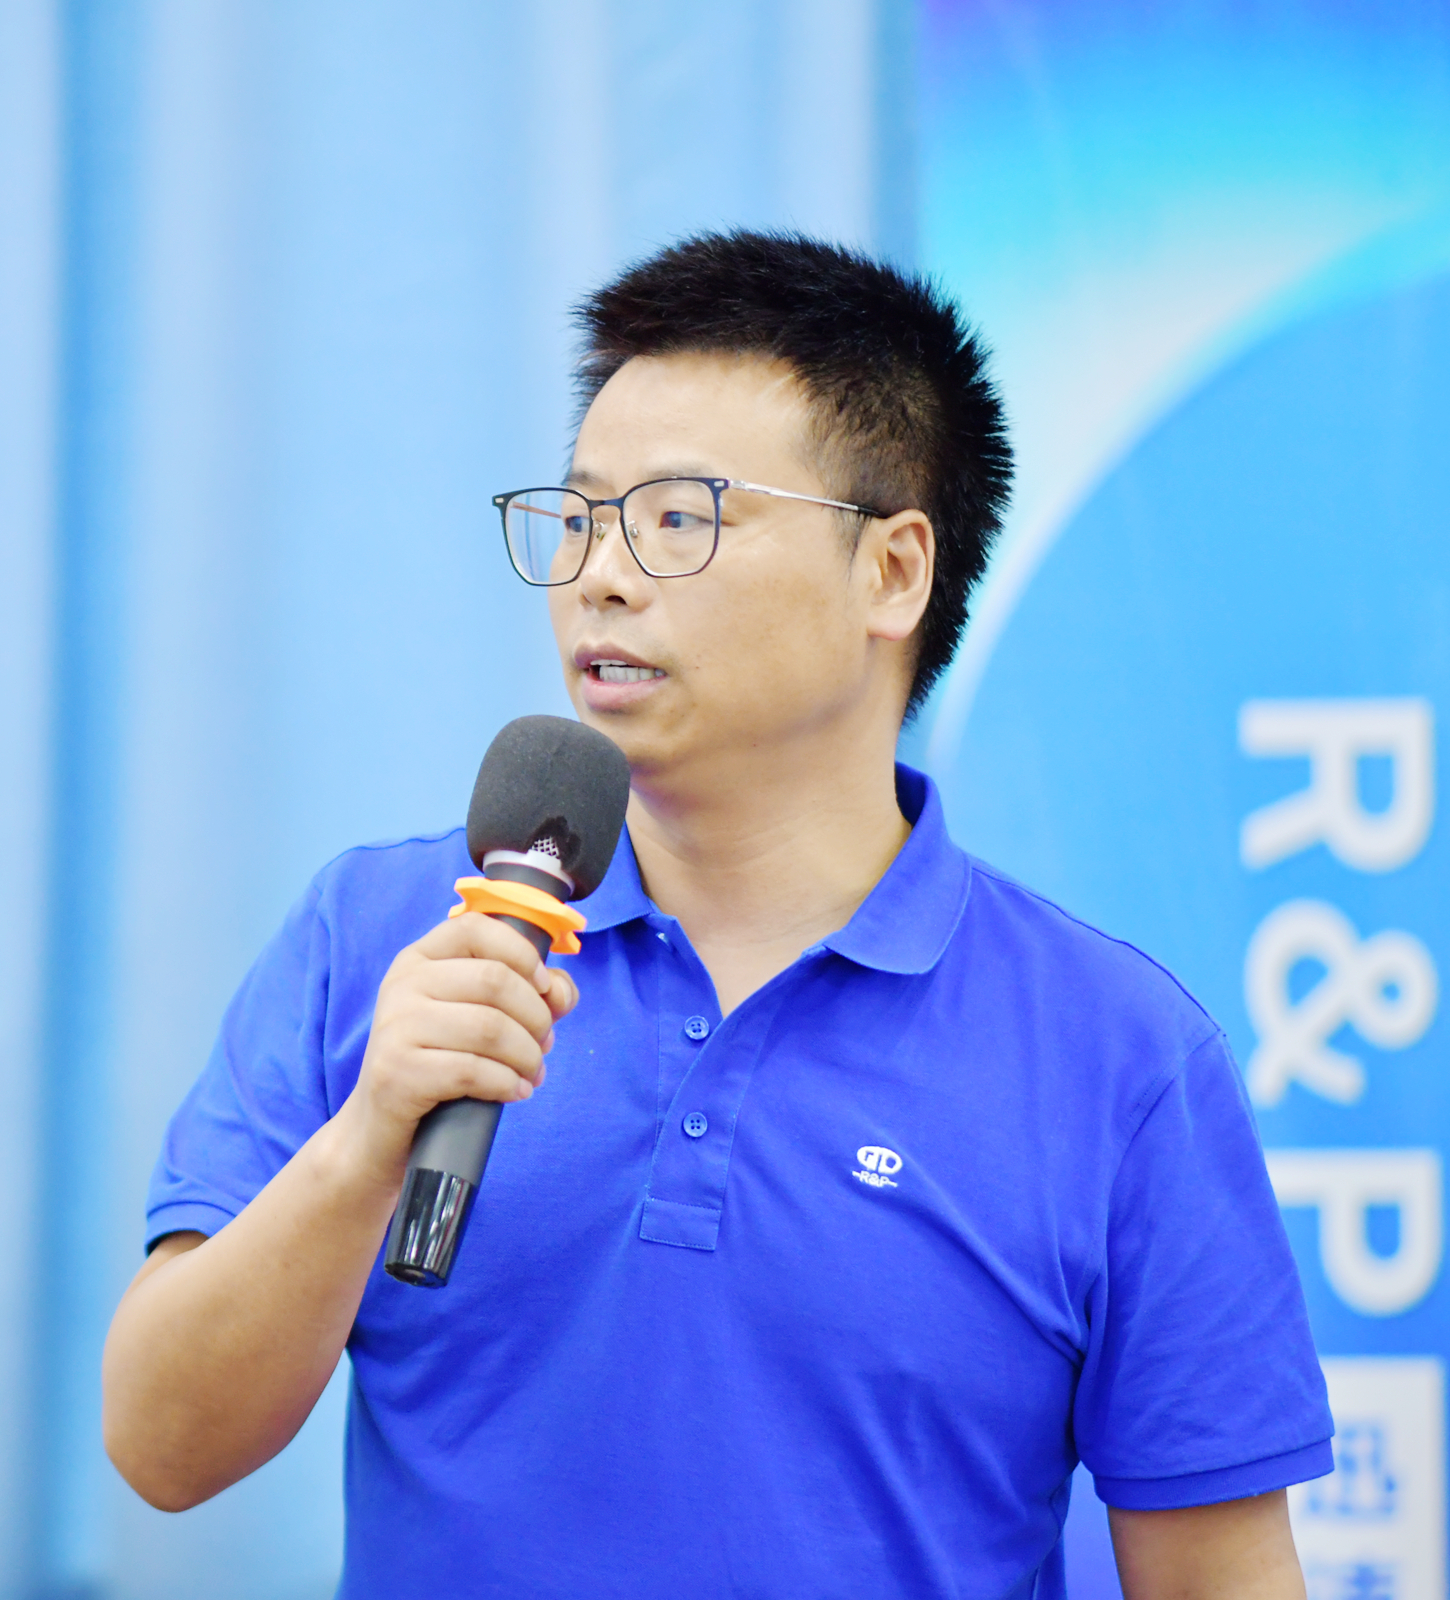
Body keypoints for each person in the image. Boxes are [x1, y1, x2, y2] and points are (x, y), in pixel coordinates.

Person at [101, 230, 1331, 1598]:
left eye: (679, 519)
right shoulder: (389, 935)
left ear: (893, 571)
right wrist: (366, 1142)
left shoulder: (1116, 1056)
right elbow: (162, 1447)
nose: (601, 575)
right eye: (580, 518)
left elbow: (1220, 1576)